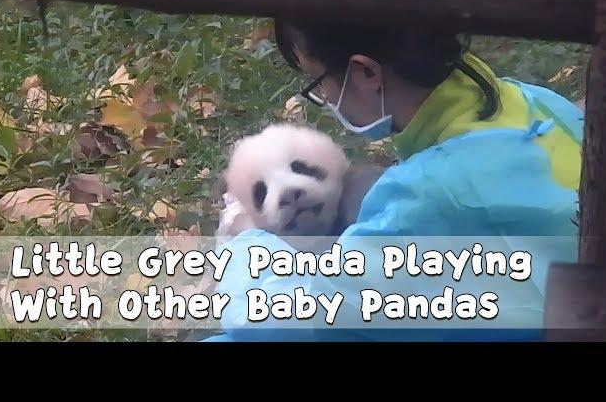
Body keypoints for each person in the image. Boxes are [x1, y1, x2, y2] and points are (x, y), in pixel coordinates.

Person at [204, 19, 584, 342]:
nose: (324, 96)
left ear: (366, 72)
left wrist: (248, 238)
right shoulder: (533, 101)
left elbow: (270, 315)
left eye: (318, 82)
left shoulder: (426, 197)